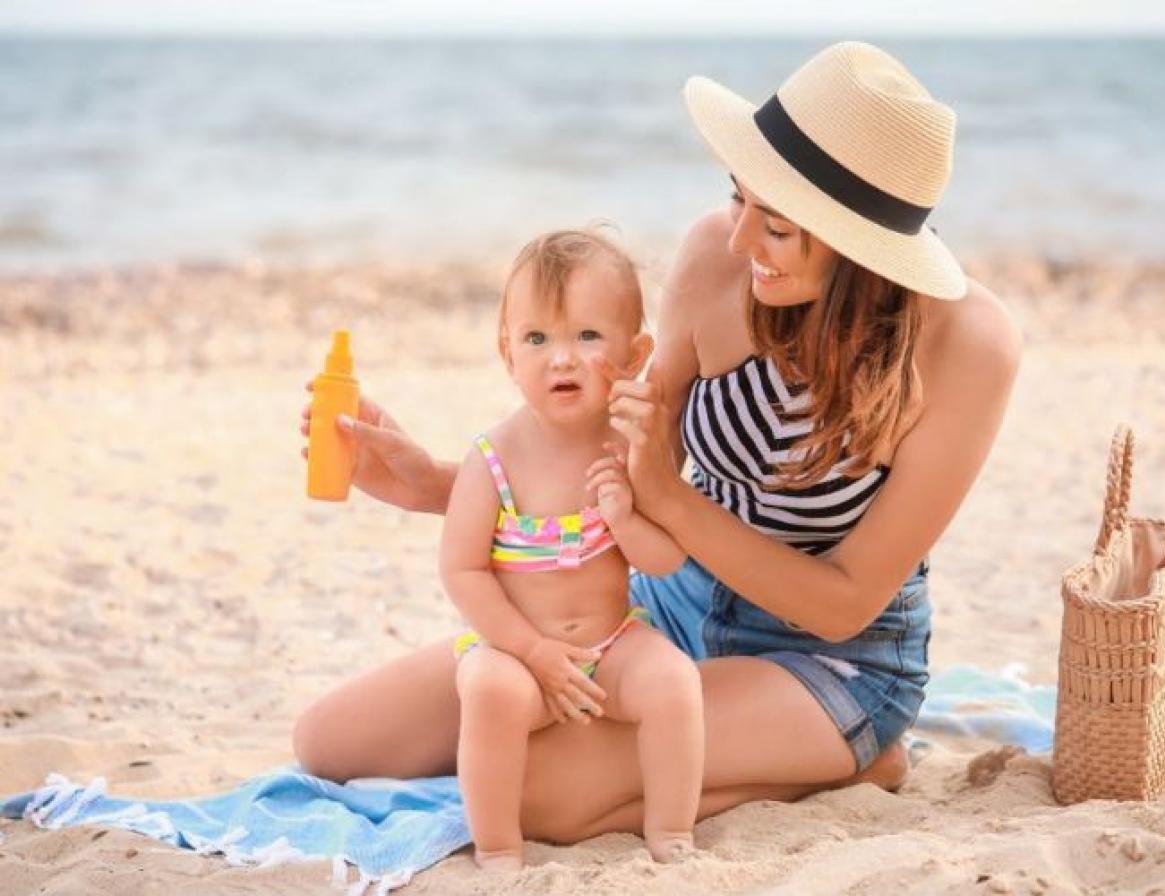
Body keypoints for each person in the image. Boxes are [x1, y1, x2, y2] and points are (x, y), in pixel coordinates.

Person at [292, 41, 1022, 844]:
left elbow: (847, 598)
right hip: (664, 606)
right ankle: (758, 756)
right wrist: (437, 483)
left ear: (857, 245)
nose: (740, 239)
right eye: (739, 198)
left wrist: (672, 502)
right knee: (335, 743)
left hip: (828, 658)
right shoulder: (719, 253)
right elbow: (618, 458)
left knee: (530, 795)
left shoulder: (969, 344)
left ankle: (850, 756)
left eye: (775, 226)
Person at [441, 229, 702, 869]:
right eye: (538, 339)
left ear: (635, 353)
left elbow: (666, 560)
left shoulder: (630, 449)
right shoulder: (493, 459)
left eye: (587, 337)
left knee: (674, 682)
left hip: (611, 644)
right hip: (518, 652)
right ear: (508, 353)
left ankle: (671, 831)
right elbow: (462, 570)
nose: (561, 358)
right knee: (491, 694)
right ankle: (499, 844)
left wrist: (624, 518)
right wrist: (530, 650)